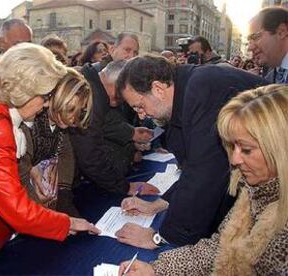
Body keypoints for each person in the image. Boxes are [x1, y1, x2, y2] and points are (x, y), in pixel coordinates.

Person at [0, 43, 99, 259]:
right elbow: (17, 210)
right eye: (44, 97)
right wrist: (67, 222)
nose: (45, 106)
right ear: (24, 91)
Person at [118, 84, 288, 275]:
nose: (234, 160)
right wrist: (157, 270)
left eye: (246, 150)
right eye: (233, 147)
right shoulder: (254, 191)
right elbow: (220, 248)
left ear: (280, 147)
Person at [115, 55, 268, 248]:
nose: (141, 115)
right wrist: (159, 204)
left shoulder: (202, 90)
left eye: (139, 106)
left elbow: (205, 173)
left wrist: (160, 238)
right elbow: (192, 167)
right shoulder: (187, 88)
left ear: (158, 89)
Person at [70, 60, 157, 195]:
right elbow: (90, 154)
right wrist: (126, 187)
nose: (123, 101)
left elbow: (105, 122)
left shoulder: (94, 85)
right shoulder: (91, 97)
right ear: (119, 86)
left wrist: (132, 133)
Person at [18, 68, 92, 216]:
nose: (73, 118)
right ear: (53, 99)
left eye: (79, 112)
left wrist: (64, 193)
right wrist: (46, 216)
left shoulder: (57, 123)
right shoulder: (29, 126)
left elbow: (66, 153)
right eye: (70, 109)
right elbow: (21, 175)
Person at [248, 7, 288, 84]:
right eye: (249, 42)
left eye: (256, 37)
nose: (250, 48)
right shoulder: (267, 79)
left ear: (281, 32)